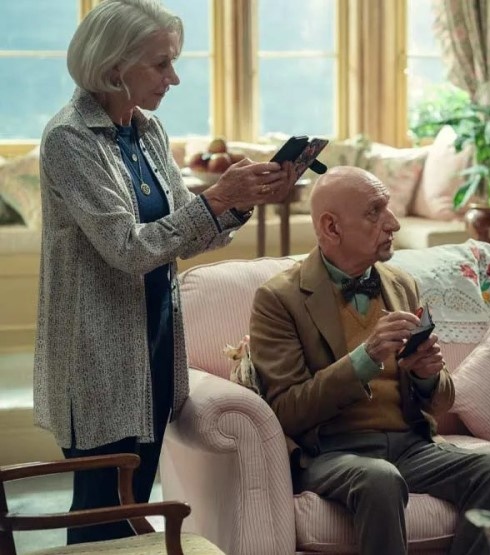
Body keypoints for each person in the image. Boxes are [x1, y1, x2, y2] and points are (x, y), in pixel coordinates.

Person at [33, 0, 296, 545]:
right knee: (100, 512)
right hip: (96, 356)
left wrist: (241, 200)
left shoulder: (147, 129)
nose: (173, 78)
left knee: (134, 503)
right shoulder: (69, 139)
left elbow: (192, 233)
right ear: (113, 66)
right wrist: (217, 198)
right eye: (160, 64)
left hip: (153, 342)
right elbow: (129, 249)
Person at [249, 167, 490, 555]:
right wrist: (366, 356)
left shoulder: (401, 283)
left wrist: (427, 376)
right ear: (331, 227)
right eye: (374, 212)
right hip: (333, 451)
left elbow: (442, 400)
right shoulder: (278, 298)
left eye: (388, 208)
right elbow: (286, 411)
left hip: (411, 445)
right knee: (380, 478)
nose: (393, 223)